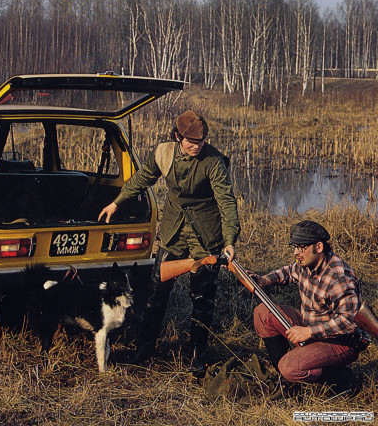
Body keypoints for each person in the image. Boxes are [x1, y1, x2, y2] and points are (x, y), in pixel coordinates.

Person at [98, 109, 240, 375]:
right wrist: (116, 203)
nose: (196, 146)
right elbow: (142, 179)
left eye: (200, 142)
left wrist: (230, 239)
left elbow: (226, 201)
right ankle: (144, 350)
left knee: (202, 297)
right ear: (178, 137)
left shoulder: (213, 161)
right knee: (155, 293)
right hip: (173, 231)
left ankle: (199, 357)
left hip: (205, 235)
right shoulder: (164, 152)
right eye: (191, 142)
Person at [249, 220, 369, 393]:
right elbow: (289, 272)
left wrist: (308, 332)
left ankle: (344, 378)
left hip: (340, 341)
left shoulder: (340, 277)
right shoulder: (306, 263)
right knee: (262, 312)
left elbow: (349, 322)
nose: (296, 253)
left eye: (301, 247)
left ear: (318, 247)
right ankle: (285, 377)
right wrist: (264, 280)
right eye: (295, 247)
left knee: (290, 367)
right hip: (310, 326)